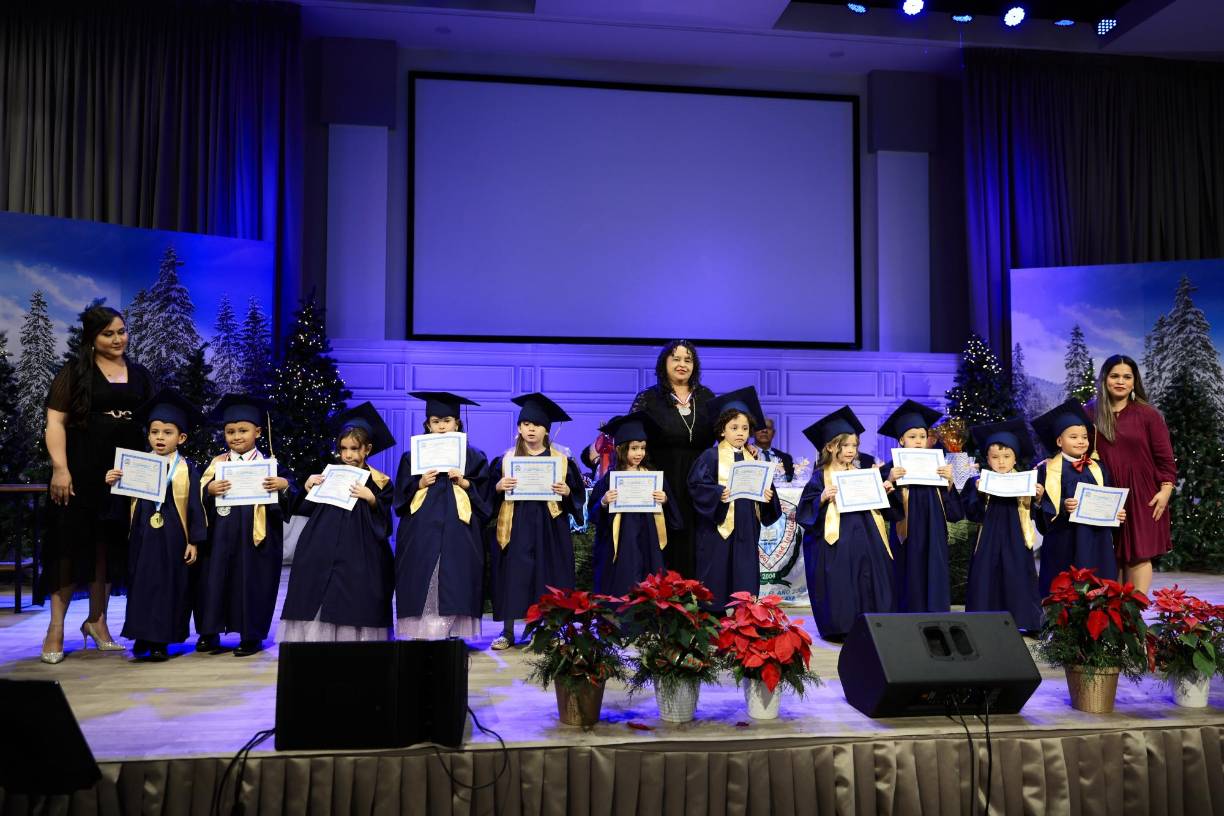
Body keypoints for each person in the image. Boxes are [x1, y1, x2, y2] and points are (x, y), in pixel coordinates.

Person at [40, 305, 157, 664]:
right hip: (81, 470)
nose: (118, 339)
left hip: (126, 472)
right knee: (70, 545)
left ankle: (98, 622)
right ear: (92, 338)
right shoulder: (75, 373)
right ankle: (56, 629)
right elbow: (55, 423)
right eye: (109, 333)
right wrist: (61, 469)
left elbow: (153, 422)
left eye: (121, 331)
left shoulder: (139, 374)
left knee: (110, 547)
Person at [280, 402, 396, 642]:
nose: (348, 455)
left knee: (357, 593)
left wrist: (372, 498)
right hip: (322, 543)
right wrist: (306, 486)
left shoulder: (381, 481)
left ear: (367, 449)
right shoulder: (329, 474)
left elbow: (384, 524)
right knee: (318, 586)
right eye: (343, 448)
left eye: (354, 449)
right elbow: (303, 508)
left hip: (361, 550)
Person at [106, 389, 207, 661]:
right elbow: (123, 503)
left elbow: (196, 507)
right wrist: (114, 480)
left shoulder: (187, 470)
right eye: (154, 432)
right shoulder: (136, 464)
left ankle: (162, 640)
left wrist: (193, 541)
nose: (160, 437)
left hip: (174, 538)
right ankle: (141, 635)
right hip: (143, 535)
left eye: (167, 432)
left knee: (170, 587)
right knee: (141, 584)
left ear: (181, 438)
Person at [195, 395, 296, 657]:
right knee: (214, 580)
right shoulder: (217, 464)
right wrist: (209, 489)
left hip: (256, 539)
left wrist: (283, 487)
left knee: (253, 582)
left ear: (258, 432)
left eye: (243, 430)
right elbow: (196, 498)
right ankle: (210, 633)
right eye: (230, 431)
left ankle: (251, 635)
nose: (236, 436)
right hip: (220, 536)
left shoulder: (271, 464)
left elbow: (291, 494)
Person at [488, 393, 586, 650]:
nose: (530, 429)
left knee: (548, 574)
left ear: (546, 430)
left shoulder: (562, 460)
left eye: (537, 425)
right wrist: (498, 486)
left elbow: (577, 496)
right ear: (519, 428)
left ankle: (550, 630)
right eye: (525, 424)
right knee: (513, 575)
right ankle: (508, 632)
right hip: (515, 523)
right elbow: (487, 497)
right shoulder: (506, 459)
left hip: (549, 525)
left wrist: (567, 492)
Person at [393, 391, 491, 642]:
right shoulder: (412, 456)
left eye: (447, 420)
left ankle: (453, 631)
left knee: (457, 573)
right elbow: (400, 499)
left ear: (457, 423)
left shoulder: (474, 457)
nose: (441, 426)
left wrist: (466, 483)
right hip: (422, 525)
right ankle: (421, 631)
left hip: (460, 525)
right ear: (427, 425)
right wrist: (420, 483)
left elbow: (486, 500)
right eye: (435, 421)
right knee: (422, 569)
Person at [797, 406, 895, 641]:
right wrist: (821, 498)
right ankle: (842, 626)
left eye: (854, 446)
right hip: (836, 542)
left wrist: (885, 490)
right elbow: (804, 511)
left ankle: (873, 624)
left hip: (866, 536)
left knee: (868, 575)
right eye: (846, 446)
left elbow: (880, 507)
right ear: (831, 447)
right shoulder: (820, 477)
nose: (851, 451)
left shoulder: (863, 473)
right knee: (842, 579)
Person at [620, 341, 716, 579]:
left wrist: (746, 449)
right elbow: (634, 438)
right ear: (664, 363)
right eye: (675, 358)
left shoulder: (706, 397)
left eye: (688, 359)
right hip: (661, 480)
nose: (682, 364)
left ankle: (697, 602)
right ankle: (663, 603)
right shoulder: (649, 398)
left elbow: (724, 434)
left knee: (699, 540)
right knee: (665, 540)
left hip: (700, 481)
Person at [1085, 355, 1175, 595]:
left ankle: (1133, 623)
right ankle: (1111, 624)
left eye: (1127, 377)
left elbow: (1165, 458)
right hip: (1105, 494)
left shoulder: (1148, 415)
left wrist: (1165, 491)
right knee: (1108, 555)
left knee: (1138, 555)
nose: (1120, 382)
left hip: (1142, 493)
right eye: (1115, 376)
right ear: (1105, 379)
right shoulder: (1090, 413)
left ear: (1134, 382)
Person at [688, 387, 781, 611]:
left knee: (744, 569)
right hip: (719, 525)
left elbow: (765, 487)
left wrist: (768, 497)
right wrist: (717, 493)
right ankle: (714, 614)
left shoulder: (753, 456)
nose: (740, 432)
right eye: (734, 428)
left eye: (745, 428)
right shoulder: (710, 456)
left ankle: (745, 614)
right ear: (722, 431)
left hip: (746, 524)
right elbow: (696, 485)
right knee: (717, 568)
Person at [1033, 399, 1125, 597]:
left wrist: (1116, 512)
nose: (1081, 441)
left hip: (1096, 538)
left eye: (1084, 436)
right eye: (1073, 437)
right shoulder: (1047, 470)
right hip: (1064, 538)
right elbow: (1043, 510)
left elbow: (1107, 497)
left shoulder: (1098, 468)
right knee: (1064, 584)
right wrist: (1062, 506)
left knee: (1099, 583)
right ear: (1059, 441)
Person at [960, 419, 1043, 633]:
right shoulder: (978, 481)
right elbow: (972, 514)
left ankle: (1025, 622)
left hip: (1016, 536)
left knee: (1018, 574)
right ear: (987, 458)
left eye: (1007, 457)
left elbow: (1038, 513)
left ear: (1015, 457)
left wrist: (1039, 497)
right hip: (988, 537)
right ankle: (982, 622)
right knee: (985, 575)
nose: (1001, 462)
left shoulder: (1026, 481)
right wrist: (978, 493)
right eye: (995, 457)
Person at [879, 399, 962, 613]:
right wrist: (890, 480)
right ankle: (907, 614)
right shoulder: (891, 468)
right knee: (908, 570)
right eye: (912, 437)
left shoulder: (938, 466)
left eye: (922, 437)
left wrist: (950, 482)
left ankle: (936, 613)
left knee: (934, 568)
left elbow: (953, 511)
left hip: (933, 529)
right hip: (908, 531)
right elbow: (883, 510)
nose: (918, 441)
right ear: (901, 440)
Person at [586, 412, 679, 596]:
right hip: (619, 543)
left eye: (643, 448)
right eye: (634, 448)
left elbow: (674, 515)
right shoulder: (609, 479)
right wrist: (604, 502)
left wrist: (665, 500)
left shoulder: (653, 477)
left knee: (648, 582)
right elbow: (593, 514)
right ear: (621, 449)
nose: (639, 453)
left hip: (647, 540)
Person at [753, 416, 795, 482]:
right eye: (760, 427)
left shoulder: (786, 458)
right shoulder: (744, 454)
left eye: (768, 428)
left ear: (773, 433)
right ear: (753, 431)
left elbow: (791, 482)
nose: (764, 430)